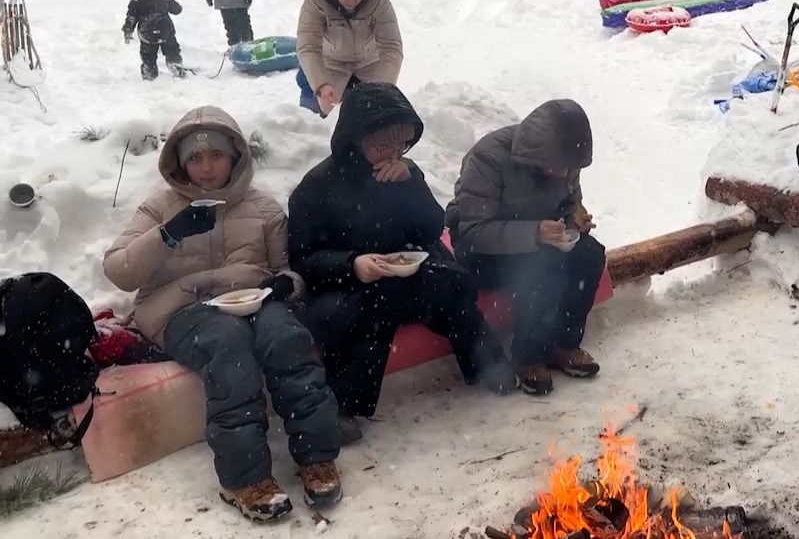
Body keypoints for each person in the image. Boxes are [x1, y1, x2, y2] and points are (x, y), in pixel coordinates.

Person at [102, 107, 341, 523]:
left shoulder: (263, 207)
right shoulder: (160, 207)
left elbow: (287, 270)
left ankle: (317, 456)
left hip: (252, 299)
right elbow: (118, 270)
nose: (207, 167)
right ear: (180, 163)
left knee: (287, 339)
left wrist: (284, 285)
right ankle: (244, 478)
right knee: (228, 349)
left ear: (235, 157)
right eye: (195, 158)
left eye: (216, 155)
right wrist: (170, 233)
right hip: (180, 308)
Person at [288, 82, 514, 442]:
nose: (394, 153)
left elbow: (431, 229)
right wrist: (353, 264)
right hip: (346, 285)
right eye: (384, 145)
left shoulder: (404, 172)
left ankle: (489, 365)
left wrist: (410, 186)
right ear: (355, 139)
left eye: (402, 145)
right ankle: (344, 405)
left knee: (450, 291)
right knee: (376, 304)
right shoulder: (317, 186)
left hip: (406, 270)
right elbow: (303, 259)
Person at [446, 99, 606, 396]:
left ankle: (563, 343)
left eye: (570, 168)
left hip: (539, 236)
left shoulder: (565, 158)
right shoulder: (489, 157)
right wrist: (534, 233)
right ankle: (528, 356)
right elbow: (473, 231)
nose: (565, 173)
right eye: (559, 167)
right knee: (543, 266)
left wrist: (574, 214)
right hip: (480, 250)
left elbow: (570, 198)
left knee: (589, 255)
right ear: (537, 154)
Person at [296, 0, 402, 116]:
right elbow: (307, 46)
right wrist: (321, 84)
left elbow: (392, 47)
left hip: (369, 62)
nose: (352, 2)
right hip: (332, 61)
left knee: (377, 113)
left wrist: (382, 88)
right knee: (313, 109)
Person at [122, 0, 186, 80]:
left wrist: (128, 32)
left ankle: (149, 71)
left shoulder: (136, 2)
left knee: (148, 55)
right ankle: (175, 64)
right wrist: (172, 1)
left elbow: (131, 19)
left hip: (147, 34)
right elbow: (177, 10)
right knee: (172, 50)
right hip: (166, 31)